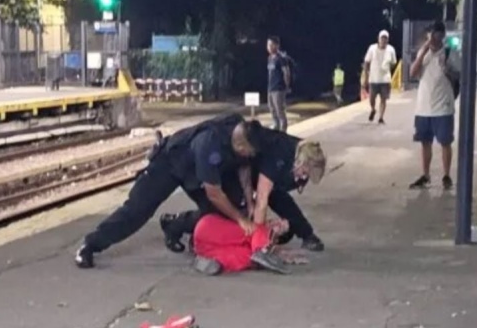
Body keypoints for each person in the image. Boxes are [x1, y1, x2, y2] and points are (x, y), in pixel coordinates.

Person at [74, 114, 262, 268]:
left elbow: (243, 166)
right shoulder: (210, 144)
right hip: (170, 162)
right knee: (137, 210)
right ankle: (90, 245)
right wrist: (241, 218)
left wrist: (249, 201)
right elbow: (214, 193)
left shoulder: (241, 128)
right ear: (239, 145)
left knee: (217, 214)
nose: (251, 156)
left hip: (195, 172)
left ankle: (175, 225)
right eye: (249, 152)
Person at [160, 131, 328, 254]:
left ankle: (306, 234)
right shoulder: (278, 156)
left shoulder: (306, 150)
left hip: (263, 172)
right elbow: (262, 200)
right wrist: (259, 244)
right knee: (226, 211)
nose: (304, 177)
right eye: (303, 172)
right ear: (298, 162)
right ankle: (175, 224)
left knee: (281, 200)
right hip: (240, 169)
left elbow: (277, 196)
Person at [409, 21, 457, 190]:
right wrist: (423, 52)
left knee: (445, 141)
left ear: (442, 35)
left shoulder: (450, 53)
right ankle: (426, 174)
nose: (434, 38)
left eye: (437, 34)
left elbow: (459, 77)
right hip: (424, 106)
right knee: (425, 141)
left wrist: (448, 69)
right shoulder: (423, 53)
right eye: (431, 34)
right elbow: (413, 73)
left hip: (443, 106)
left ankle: (446, 175)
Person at [191, 214, 292, 276]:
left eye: (280, 226)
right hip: (208, 228)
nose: (276, 222)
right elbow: (259, 233)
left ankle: (204, 260)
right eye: (278, 221)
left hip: (205, 248)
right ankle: (261, 252)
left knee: (246, 258)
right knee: (254, 241)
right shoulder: (259, 228)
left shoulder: (249, 249)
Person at [363, 30, 397, 125]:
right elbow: (366, 62)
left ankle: (381, 117)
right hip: (373, 79)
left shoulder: (391, 49)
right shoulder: (372, 48)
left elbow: (393, 63)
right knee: (371, 98)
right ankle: (373, 109)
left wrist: (387, 69)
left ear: (388, 40)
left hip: (385, 80)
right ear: (378, 39)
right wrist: (366, 76)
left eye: (385, 38)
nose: (383, 40)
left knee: (383, 99)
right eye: (382, 38)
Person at [267, 36, 291, 132]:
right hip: (271, 88)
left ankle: (283, 129)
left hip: (279, 88)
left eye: (271, 44)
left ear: (276, 46)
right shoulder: (269, 58)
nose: (268, 47)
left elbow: (286, 73)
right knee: (272, 109)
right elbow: (270, 73)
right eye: (268, 45)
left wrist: (286, 86)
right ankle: (276, 126)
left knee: (279, 110)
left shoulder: (281, 58)